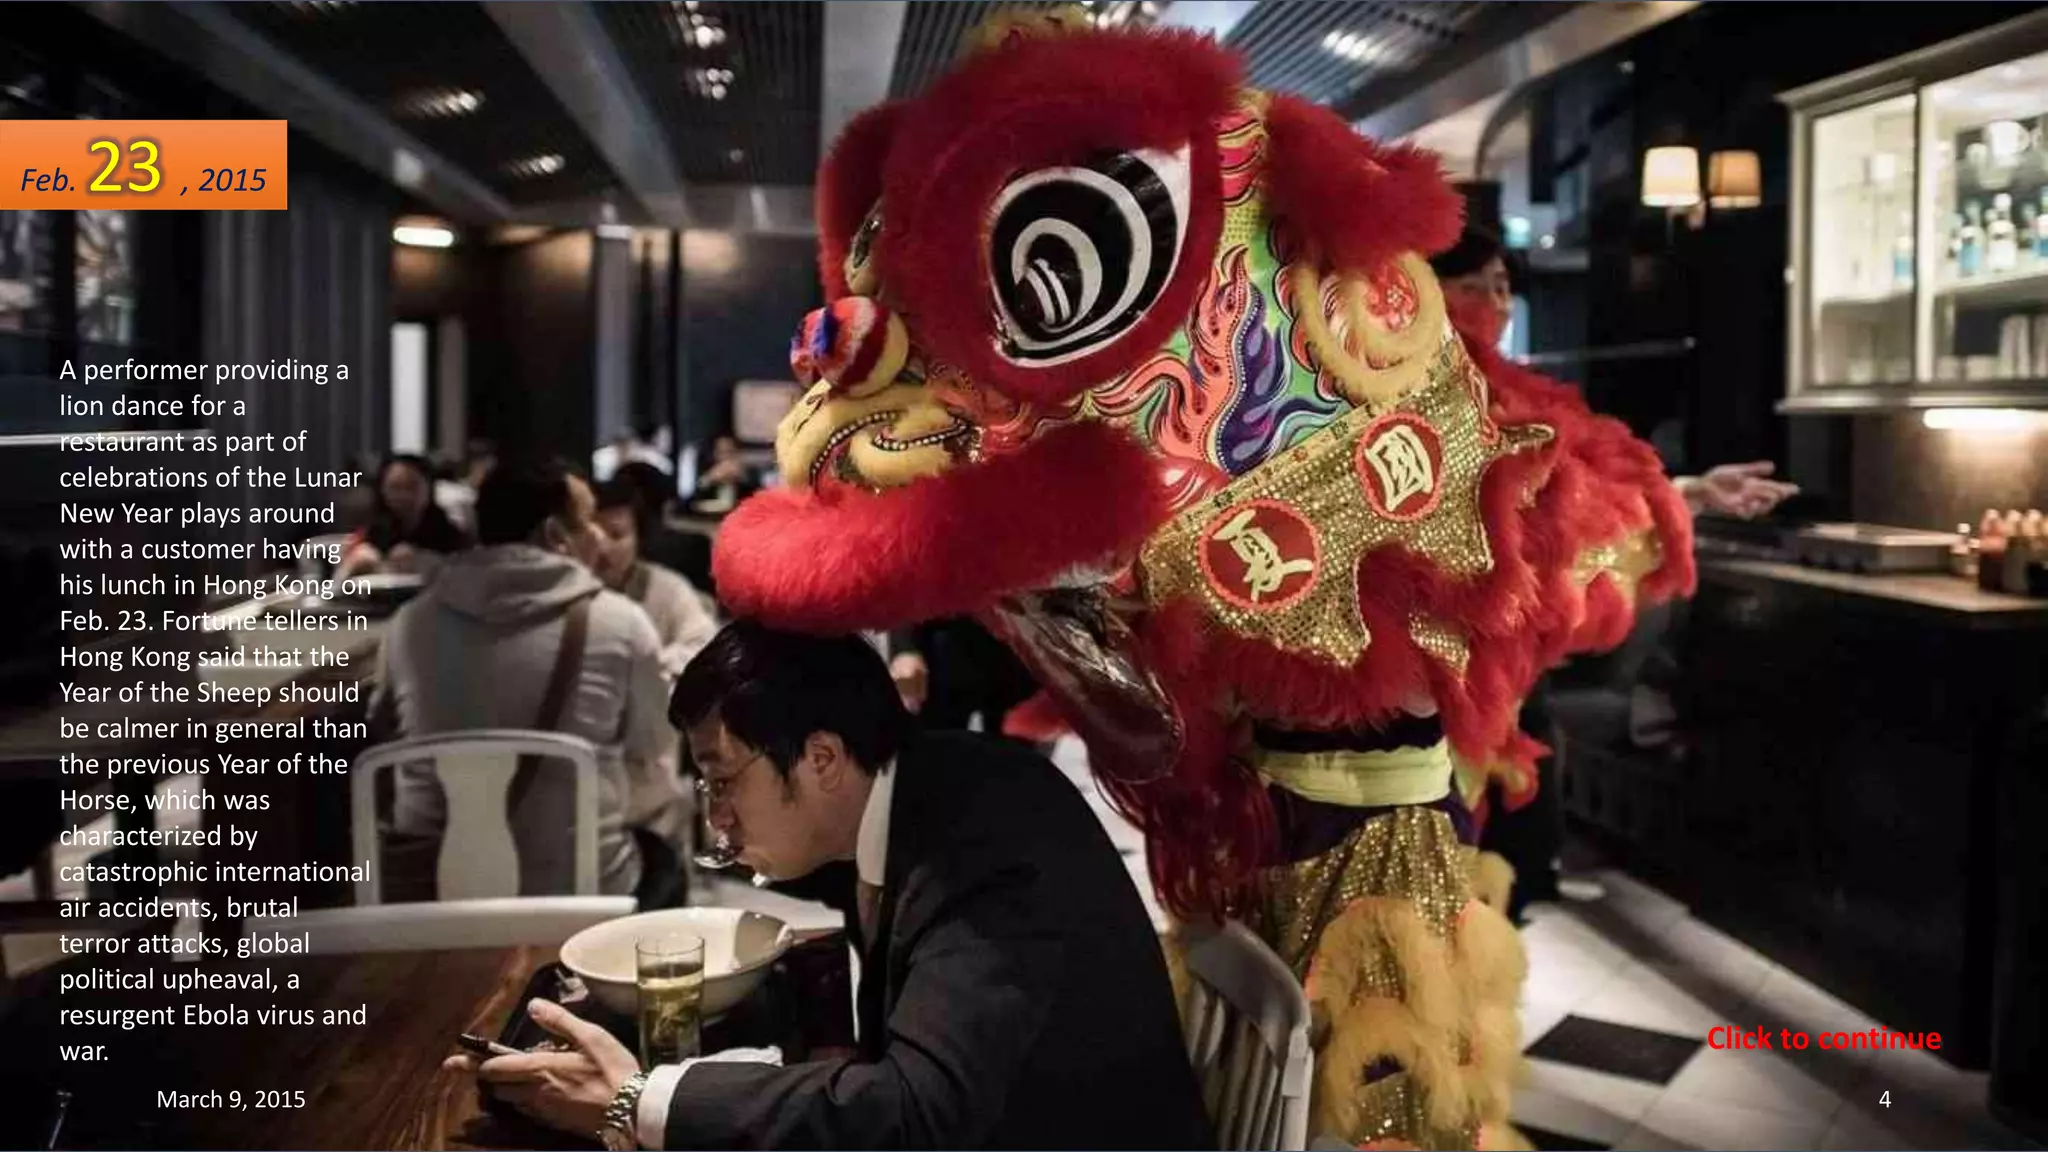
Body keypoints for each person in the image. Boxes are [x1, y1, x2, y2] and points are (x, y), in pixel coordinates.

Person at [446, 622, 1212, 1150]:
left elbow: (916, 1113)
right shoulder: (923, 789)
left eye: (722, 783)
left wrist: (634, 1100)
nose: (717, 820)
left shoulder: (982, 844)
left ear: (820, 758)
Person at [368, 458, 677, 903]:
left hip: (434, 890)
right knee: (662, 857)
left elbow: (386, 732)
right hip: (577, 886)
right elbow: (652, 745)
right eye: (587, 521)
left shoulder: (410, 623)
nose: (598, 537)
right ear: (556, 536)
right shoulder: (621, 623)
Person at [1430, 225, 1801, 522]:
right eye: (1470, 289)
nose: (1497, 305)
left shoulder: (1525, 399)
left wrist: (1692, 492)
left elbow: (1591, 501)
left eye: (1501, 286)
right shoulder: (1417, 401)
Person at [336, 454, 471, 580]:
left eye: (412, 487)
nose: (404, 496)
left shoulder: (451, 535)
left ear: (429, 488)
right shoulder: (370, 534)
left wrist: (427, 563)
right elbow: (336, 587)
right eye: (395, 487)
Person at [682, 435, 759, 517]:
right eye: (722, 452)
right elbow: (689, 498)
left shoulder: (749, 473)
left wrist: (742, 478)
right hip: (706, 517)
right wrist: (710, 478)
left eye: (730, 452)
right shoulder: (704, 469)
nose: (726, 457)